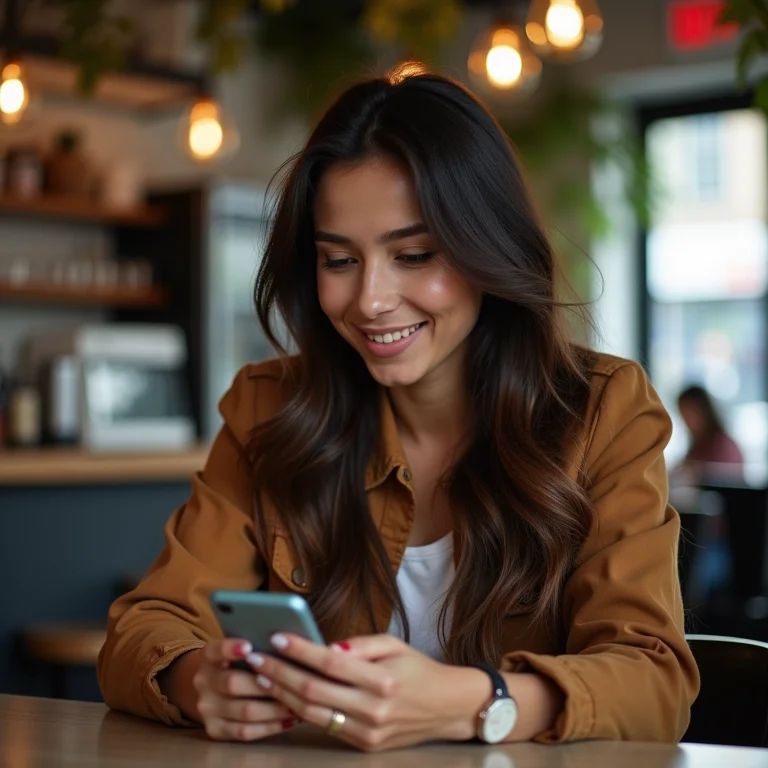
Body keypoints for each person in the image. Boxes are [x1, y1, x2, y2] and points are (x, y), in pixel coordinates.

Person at [97, 68, 699, 751]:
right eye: (339, 260)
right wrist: (191, 679)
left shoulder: (604, 411)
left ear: (487, 248)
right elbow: (141, 629)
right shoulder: (269, 409)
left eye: (413, 254)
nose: (371, 300)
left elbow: (655, 683)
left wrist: (480, 703)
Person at [675, 384, 744, 485]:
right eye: (683, 415)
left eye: (690, 413)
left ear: (704, 411)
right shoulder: (696, 447)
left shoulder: (724, 446)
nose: (687, 421)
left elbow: (728, 482)